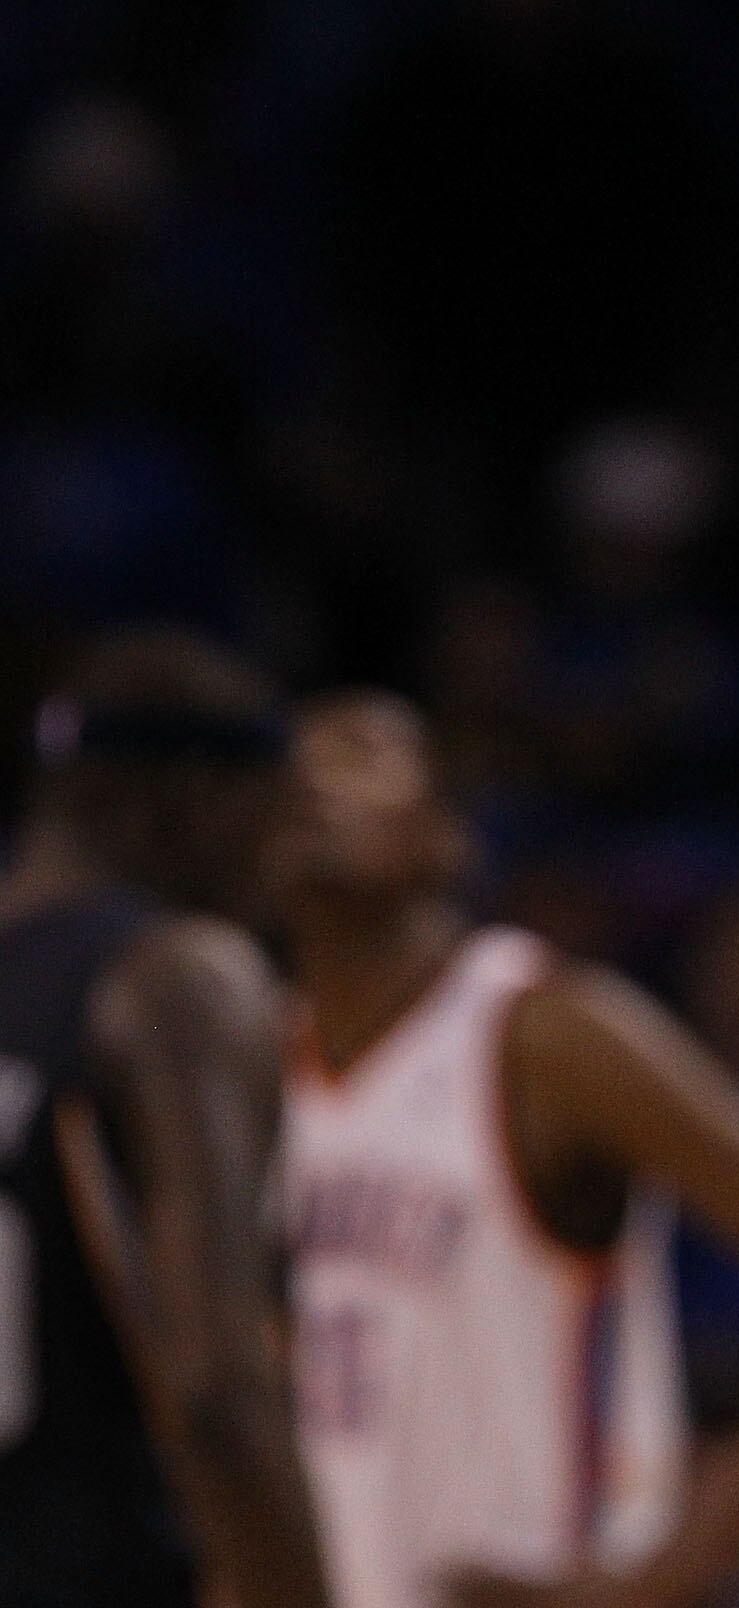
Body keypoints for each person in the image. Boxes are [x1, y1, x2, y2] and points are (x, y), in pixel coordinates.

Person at [272, 690, 739, 1608]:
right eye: (298, 757)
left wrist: (660, 1579)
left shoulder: (543, 1033)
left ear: (446, 839)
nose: (319, 777)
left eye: (363, 753)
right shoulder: (267, 1064)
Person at [0, 628, 334, 1608]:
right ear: (194, 800)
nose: (277, 878)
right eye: (271, 823)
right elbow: (215, 1391)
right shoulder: (176, 979)